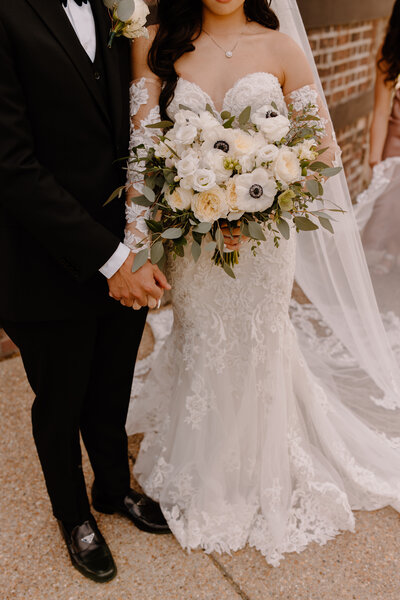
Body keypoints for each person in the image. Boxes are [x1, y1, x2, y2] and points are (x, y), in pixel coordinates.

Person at [125, 0, 400, 567]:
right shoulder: (154, 43)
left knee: (259, 342)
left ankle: (263, 463)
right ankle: (206, 461)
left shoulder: (280, 48)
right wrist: (139, 246)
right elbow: (142, 156)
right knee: (203, 341)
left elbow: (319, 150)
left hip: (266, 245)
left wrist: (260, 200)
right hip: (196, 242)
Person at [0, 0, 170, 584]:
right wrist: (109, 259)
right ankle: (72, 515)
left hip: (120, 239)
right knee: (60, 398)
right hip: (45, 259)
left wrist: (135, 239)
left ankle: (112, 489)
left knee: (113, 380)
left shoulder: (115, 7)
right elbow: (12, 166)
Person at [356, 0, 400, 312]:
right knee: (389, 207)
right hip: (396, 147)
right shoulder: (390, 60)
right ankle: (386, 255)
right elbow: (381, 113)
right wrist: (375, 161)